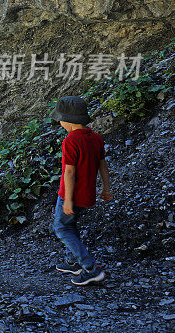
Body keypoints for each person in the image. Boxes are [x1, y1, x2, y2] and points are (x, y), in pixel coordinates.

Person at [51, 96, 113, 285]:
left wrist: (68, 199)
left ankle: (90, 268)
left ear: (68, 121)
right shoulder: (95, 138)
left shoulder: (70, 141)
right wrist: (106, 189)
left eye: (60, 119)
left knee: (61, 227)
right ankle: (73, 261)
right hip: (87, 194)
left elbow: (69, 172)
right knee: (71, 225)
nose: (59, 122)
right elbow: (103, 165)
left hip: (70, 195)